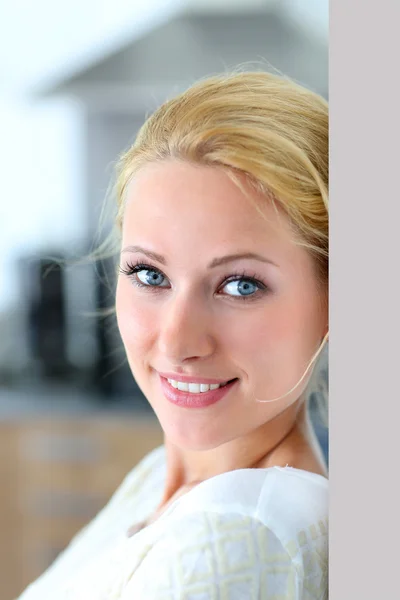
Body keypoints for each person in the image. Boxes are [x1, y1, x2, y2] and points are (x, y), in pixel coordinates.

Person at [18, 71, 329, 599]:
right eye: (149, 275)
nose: (176, 342)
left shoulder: (238, 536)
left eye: (240, 285)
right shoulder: (166, 476)